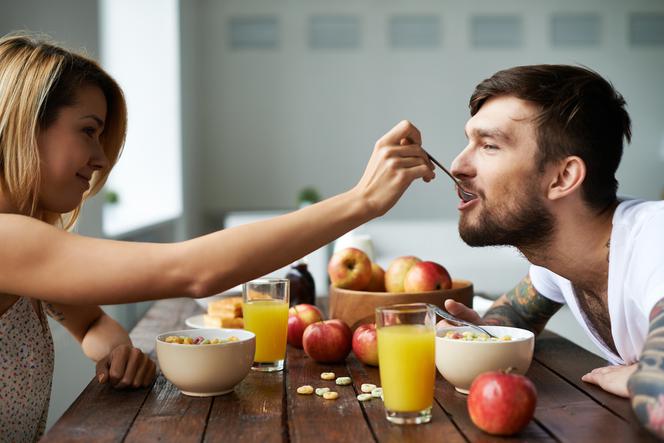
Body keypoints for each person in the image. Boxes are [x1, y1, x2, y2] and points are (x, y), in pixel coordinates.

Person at [0, 33, 435, 442]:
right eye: (88, 131)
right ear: (24, 126)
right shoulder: (7, 241)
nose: (99, 158)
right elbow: (193, 271)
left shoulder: (28, 241)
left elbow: (90, 321)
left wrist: (117, 350)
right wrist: (360, 201)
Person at [440, 64, 664, 438]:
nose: (458, 165)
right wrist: (479, 336)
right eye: (468, 142)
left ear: (562, 177)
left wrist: (642, 379)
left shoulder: (654, 241)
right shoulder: (562, 255)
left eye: (489, 146)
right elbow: (512, 315)